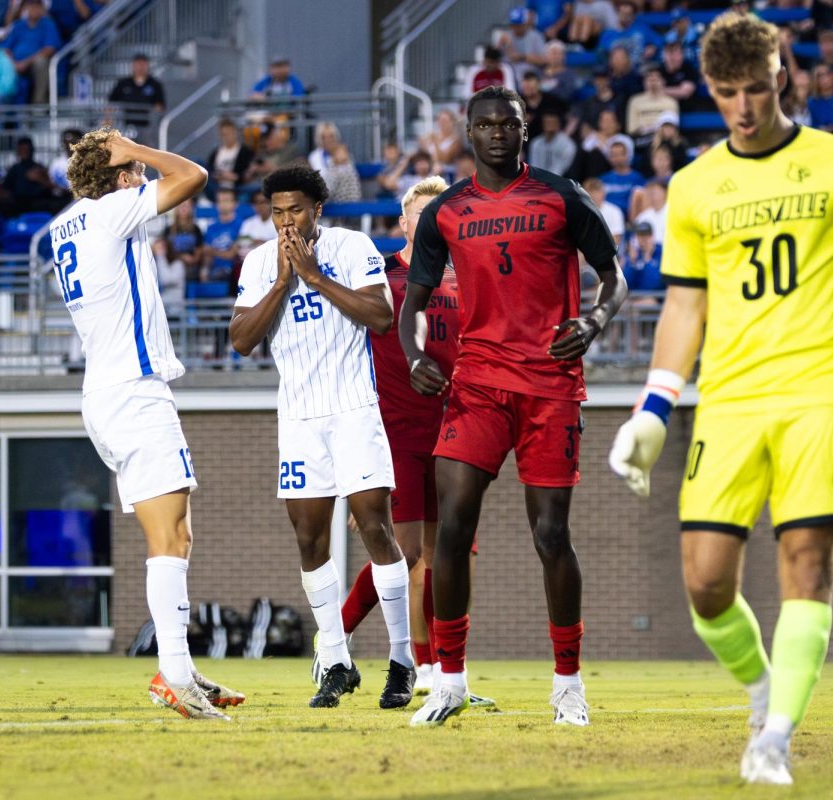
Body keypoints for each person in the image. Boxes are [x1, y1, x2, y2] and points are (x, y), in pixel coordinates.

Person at [607, 14, 833, 785]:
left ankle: (776, 736)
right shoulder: (695, 184)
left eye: (756, 89)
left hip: (815, 394)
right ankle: (761, 686)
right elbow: (684, 308)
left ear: (783, 76)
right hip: (729, 400)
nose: (744, 106)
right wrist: (653, 408)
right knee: (705, 582)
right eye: (729, 93)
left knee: (805, 562)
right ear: (710, 90)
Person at [399, 85, 626, 727]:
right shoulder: (443, 212)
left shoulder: (561, 195)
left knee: (551, 535)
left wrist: (597, 319)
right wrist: (417, 355)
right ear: (466, 134)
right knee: (452, 529)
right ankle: (449, 683)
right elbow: (412, 306)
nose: (498, 132)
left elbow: (615, 275)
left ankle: (568, 685)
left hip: (551, 384)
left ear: (525, 130)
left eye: (510, 123)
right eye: (486, 124)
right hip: (476, 384)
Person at [52, 128, 244, 719]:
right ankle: (171, 675)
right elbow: (192, 177)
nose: (141, 180)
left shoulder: (68, 222)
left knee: (177, 534)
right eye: (132, 172)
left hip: (108, 392)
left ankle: (181, 668)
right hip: (132, 392)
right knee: (167, 539)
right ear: (117, 178)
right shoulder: (111, 209)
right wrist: (134, 151)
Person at [229, 165, 415, 711]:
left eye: (296, 210)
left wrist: (313, 277)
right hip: (300, 418)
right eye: (277, 211)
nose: (286, 221)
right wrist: (284, 282)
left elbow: (381, 317)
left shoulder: (352, 246)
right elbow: (240, 340)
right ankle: (335, 660)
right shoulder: (260, 263)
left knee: (377, 529)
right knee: (310, 540)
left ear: (318, 210)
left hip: (354, 409)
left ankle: (402, 659)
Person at [339, 176, 496, 706]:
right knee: (405, 553)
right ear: (404, 222)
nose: (430, 224)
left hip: (457, 430)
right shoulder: (379, 274)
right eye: (421, 215)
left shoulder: (470, 275)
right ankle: (335, 640)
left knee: (452, 553)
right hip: (395, 431)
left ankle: (446, 671)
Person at [1, 0, 60, 103]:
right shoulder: (18, 25)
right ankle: (2, 106)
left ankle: (39, 105)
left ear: (42, 9)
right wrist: (13, 63)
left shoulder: (48, 24)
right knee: (0, 60)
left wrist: (25, 63)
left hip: (33, 65)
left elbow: (49, 49)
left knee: (41, 62)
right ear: (26, 8)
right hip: (15, 64)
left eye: (37, 6)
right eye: (31, 6)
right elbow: (5, 48)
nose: (34, 9)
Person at [107, 53, 166, 135]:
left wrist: (155, 120)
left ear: (148, 66)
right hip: (125, 125)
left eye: (143, 64)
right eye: (138, 64)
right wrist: (108, 118)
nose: (140, 67)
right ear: (133, 66)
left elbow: (160, 106)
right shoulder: (123, 83)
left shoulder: (155, 84)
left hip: (147, 127)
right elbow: (111, 103)